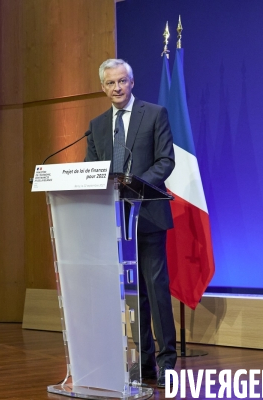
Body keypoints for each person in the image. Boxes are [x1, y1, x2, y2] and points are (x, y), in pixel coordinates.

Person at [84, 58, 177, 388]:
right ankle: (146, 361)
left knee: (156, 290)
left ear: (132, 83)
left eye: (122, 81)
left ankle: (168, 363)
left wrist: (136, 185)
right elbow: (91, 170)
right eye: (111, 83)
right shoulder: (96, 125)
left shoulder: (154, 114)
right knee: (132, 295)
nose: (117, 88)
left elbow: (166, 161)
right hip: (115, 221)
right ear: (103, 88)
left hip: (148, 215)